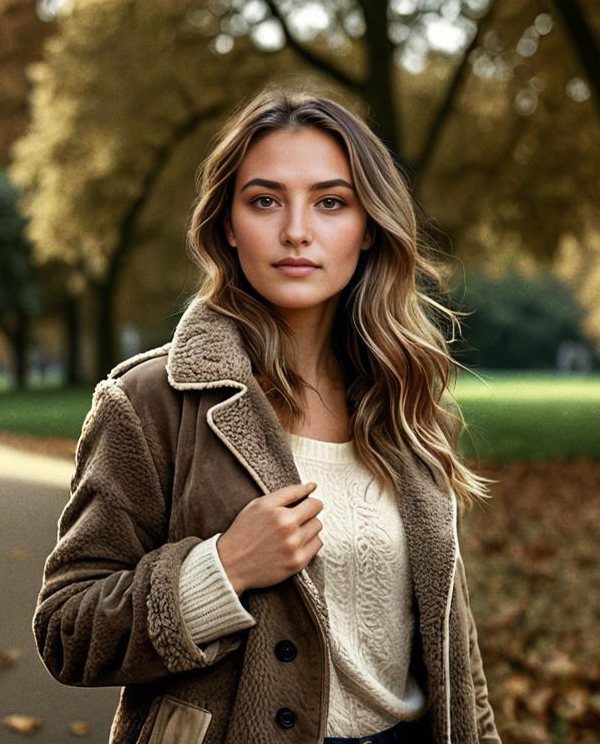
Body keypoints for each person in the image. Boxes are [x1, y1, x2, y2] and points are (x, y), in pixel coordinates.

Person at [33, 83, 502, 744]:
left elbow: (459, 657)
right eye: (264, 201)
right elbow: (66, 631)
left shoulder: (405, 400)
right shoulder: (150, 403)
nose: (296, 231)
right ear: (227, 223)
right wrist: (220, 569)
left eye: (331, 202)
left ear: (368, 228)